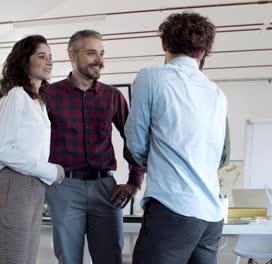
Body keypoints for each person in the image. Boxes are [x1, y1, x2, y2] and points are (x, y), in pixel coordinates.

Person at [125, 11, 230, 264]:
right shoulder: (217, 93)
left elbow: (135, 138)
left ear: (164, 44)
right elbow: (222, 156)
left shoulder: (151, 78)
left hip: (173, 208)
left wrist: (148, 162)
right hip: (211, 216)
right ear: (203, 52)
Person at [46, 29, 144, 264]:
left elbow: (135, 140)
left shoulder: (112, 96)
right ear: (72, 55)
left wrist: (134, 182)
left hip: (105, 189)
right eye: (91, 53)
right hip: (64, 187)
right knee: (69, 259)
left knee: (110, 258)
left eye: (101, 53)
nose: (99, 60)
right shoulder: (50, 95)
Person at [0, 35, 65, 264]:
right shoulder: (15, 95)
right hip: (13, 187)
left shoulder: (37, 102)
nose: (49, 62)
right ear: (24, 61)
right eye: (41, 56)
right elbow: (3, 150)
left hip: (32, 188)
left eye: (50, 57)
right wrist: (50, 170)